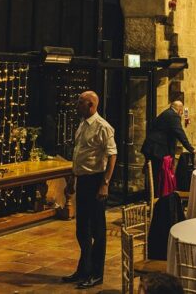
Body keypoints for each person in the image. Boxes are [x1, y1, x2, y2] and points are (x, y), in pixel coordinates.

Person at [62, 91, 117, 290]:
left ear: (91, 105)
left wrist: (105, 183)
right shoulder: (82, 125)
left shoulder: (103, 127)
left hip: (96, 181)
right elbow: (78, 154)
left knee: (97, 230)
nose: (77, 105)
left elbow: (112, 155)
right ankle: (83, 268)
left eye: (80, 103)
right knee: (81, 229)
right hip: (83, 180)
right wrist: (71, 180)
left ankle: (96, 274)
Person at [141, 101, 194, 196]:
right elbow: (180, 133)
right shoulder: (173, 116)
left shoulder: (166, 113)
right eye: (182, 112)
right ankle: (157, 200)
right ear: (180, 109)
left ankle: (152, 197)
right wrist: (191, 149)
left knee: (153, 174)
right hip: (157, 150)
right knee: (158, 176)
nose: (182, 114)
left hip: (151, 147)